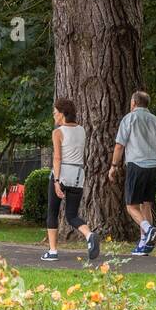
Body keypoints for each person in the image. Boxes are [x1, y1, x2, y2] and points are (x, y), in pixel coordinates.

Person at [108, 91, 156, 256]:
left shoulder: (129, 119)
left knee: (131, 206)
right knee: (146, 204)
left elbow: (119, 146)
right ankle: (145, 243)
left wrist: (114, 166)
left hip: (136, 165)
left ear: (133, 103)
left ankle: (148, 229)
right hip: (154, 167)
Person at [42, 97, 100, 262]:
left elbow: (57, 158)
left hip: (62, 172)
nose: (54, 116)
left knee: (52, 212)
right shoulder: (81, 130)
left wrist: (56, 181)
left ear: (61, 114)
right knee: (72, 215)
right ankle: (89, 235)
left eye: (55, 113)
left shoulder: (58, 132)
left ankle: (52, 251)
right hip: (78, 175)